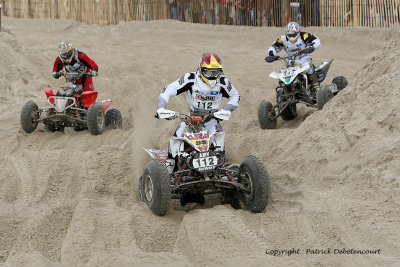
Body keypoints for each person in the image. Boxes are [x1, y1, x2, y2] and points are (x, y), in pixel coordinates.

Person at [156, 52, 240, 139]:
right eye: (208, 72)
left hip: (212, 120)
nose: (212, 75)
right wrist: (161, 107)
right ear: (201, 69)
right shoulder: (189, 78)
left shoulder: (223, 82)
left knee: (219, 140)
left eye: (215, 72)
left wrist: (226, 109)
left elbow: (236, 96)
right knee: (176, 138)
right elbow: (168, 89)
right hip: (191, 118)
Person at [265, 22, 321, 91]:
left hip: (304, 58)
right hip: (291, 61)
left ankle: (317, 87)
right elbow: (273, 47)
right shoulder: (283, 39)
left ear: (298, 32)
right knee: (282, 74)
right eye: (290, 34)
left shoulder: (304, 35)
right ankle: (283, 91)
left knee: (308, 68)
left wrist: (312, 47)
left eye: (293, 34)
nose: (292, 36)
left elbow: (316, 41)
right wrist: (271, 55)